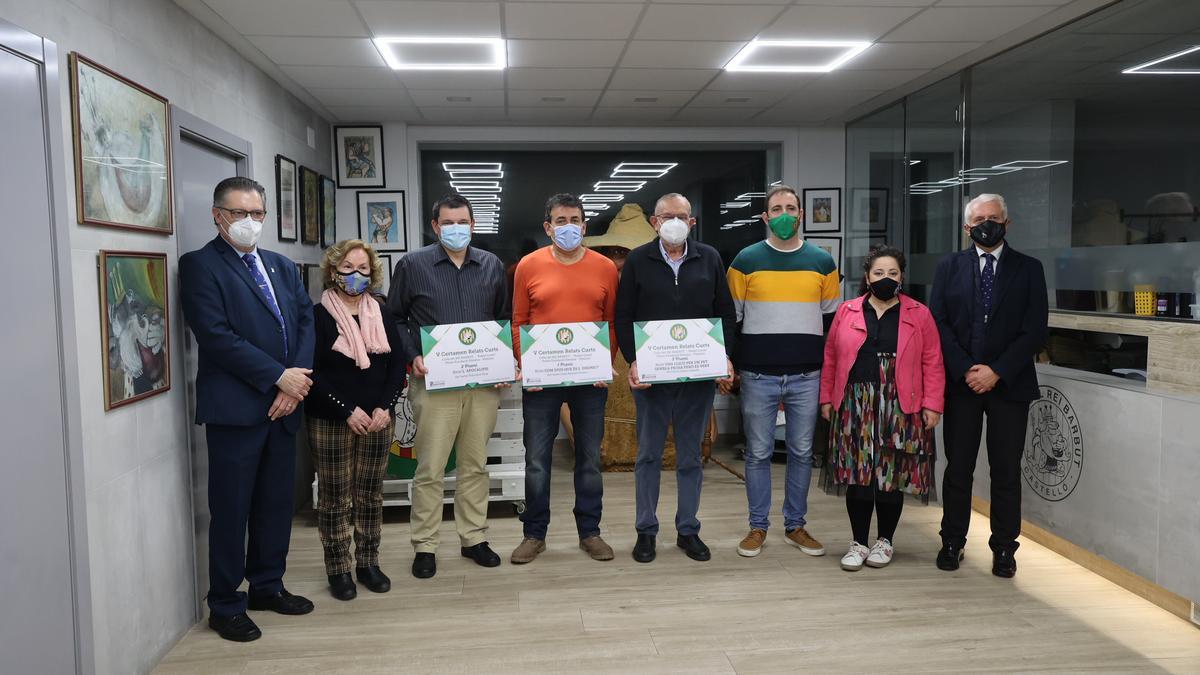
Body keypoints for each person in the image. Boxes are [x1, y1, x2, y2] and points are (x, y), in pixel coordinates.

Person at [179, 177, 316, 642]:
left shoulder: (280, 265)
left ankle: (267, 586)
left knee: (275, 506)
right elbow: (216, 337)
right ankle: (225, 604)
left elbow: (303, 323)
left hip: (284, 407)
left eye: (257, 214)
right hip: (236, 412)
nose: (249, 222)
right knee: (232, 510)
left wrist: (295, 382)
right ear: (218, 215)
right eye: (239, 214)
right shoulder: (200, 266)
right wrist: (278, 377)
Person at [388, 194, 510, 579]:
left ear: (473, 225)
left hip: (483, 384)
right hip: (434, 381)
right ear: (436, 226)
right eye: (448, 223)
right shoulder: (413, 264)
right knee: (430, 468)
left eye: (464, 222)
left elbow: (503, 318)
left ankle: (473, 538)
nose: (457, 229)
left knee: (475, 465)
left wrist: (504, 360)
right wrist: (412, 356)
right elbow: (394, 318)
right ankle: (424, 545)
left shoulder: (491, 265)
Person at [930, 193, 1048, 578]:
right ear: (967, 228)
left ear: (1007, 223)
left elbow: (1035, 330)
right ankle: (952, 542)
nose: (987, 224)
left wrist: (996, 371)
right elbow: (938, 324)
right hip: (963, 386)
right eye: (980, 219)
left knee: (1006, 471)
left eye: (994, 218)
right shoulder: (948, 267)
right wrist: (967, 369)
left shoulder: (1029, 269)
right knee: (958, 468)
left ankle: (1004, 549)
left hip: (1010, 386)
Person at [615, 193, 736, 563]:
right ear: (654, 221)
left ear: (692, 222)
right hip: (652, 380)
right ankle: (645, 531)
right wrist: (634, 361)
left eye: (681, 216)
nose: (673, 221)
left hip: (696, 379)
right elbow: (623, 317)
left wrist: (725, 357)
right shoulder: (638, 260)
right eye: (666, 216)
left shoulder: (710, 258)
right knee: (648, 456)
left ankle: (688, 530)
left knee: (689, 458)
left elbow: (726, 314)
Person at [726, 184, 840, 559]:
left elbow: (830, 320)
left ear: (802, 214)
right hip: (758, 375)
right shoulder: (745, 260)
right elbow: (734, 320)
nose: (785, 215)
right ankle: (757, 527)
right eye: (777, 209)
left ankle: (796, 525)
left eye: (791, 208)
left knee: (802, 451)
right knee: (758, 453)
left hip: (807, 375)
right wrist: (735, 366)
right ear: (766, 217)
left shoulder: (823, 262)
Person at [818, 245, 944, 571]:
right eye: (878, 273)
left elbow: (932, 361)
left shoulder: (920, 313)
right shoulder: (847, 311)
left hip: (900, 404)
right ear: (867, 276)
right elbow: (830, 358)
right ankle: (858, 542)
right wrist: (827, 398)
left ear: (902, 276)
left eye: (892, 273)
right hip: (854, 401)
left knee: (891, 475)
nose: (885, 278)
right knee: (858, 474)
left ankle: (885, 540)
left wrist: (933, 404)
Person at [509, 194, 619, 565]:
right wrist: (526, 366)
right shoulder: (528, 265)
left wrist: (605, 364)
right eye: (560, 220)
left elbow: (611, 320)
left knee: (589, 458)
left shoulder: (605, 267)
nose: (568, 226)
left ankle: (590, 532)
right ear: (548, 227)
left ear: (585, 226)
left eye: (575, 219)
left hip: (591, 379)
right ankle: (534, 534)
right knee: (537, 459)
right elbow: (519, 321)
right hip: (542, 379)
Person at [306, 240, 407, 601]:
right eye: (348, 267)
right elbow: (312, 372)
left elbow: (397, 365)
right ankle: (338, 569)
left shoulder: (382, 313)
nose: (356, 274)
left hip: (378, 420)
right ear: (333, 272)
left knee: (370, 495)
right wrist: (347, 409)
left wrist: (384, 407)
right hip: (332, 419)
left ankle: (368, 563)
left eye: (363, 268)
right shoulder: (318, 316)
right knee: (335, 499)